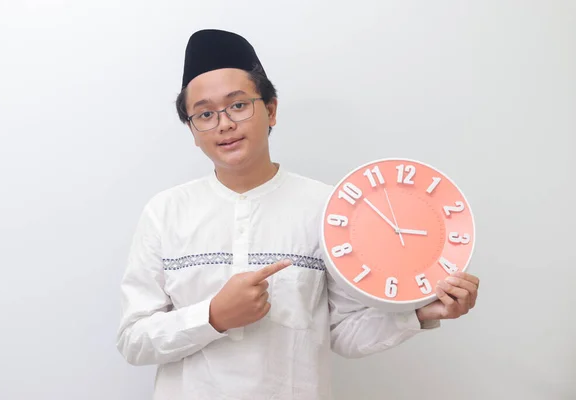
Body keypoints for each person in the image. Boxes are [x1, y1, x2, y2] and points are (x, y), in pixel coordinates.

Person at [116, 29, 480, 400]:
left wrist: (419, 314)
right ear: (193, 130)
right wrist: (213, 316)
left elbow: (339, 332)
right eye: (205, 114)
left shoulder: (329, 209)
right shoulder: (165, 212)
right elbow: (133, 339)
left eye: (238, 105)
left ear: (271, 109)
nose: (224, 124)